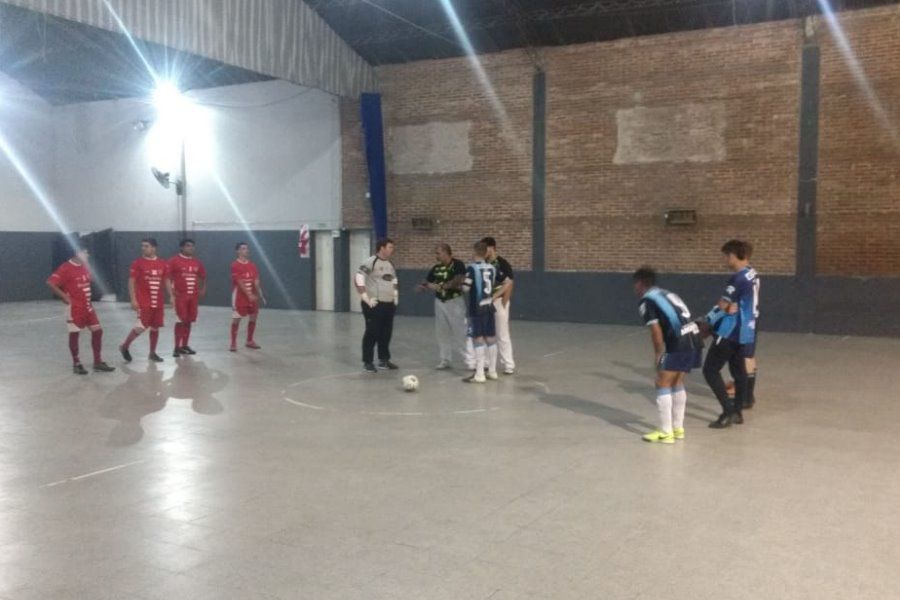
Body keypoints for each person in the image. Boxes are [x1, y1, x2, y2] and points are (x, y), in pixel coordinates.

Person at [632, 267, 703, 444]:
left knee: (662, 382)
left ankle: (666, 432)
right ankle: (678, 428)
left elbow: (656, 331)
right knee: (677, 381)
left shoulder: (647, 301)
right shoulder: (666, 293)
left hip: (678, 342)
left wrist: (659, 354)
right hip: (694, 337)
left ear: (640, 283)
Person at [702, 240, 760, 429]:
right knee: (738, 371)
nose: (726, 260)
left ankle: (727, 411)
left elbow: (723, 304)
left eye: (727, 256)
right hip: (746, 331)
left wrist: (710, 318)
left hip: (730, 331)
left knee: (710, 370)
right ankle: (737, 412)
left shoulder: (737, 279)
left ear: (734, 255)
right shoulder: (753, 274)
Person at [46, 243, 115, 375]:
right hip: (75, 308)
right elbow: (51, 282)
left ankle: (97, 362)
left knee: (98, 331)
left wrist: (87, 264)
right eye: (85, 252)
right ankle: (77, 363)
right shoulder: (65, 268)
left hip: (88, 307)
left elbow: (90, 279)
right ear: (78, 253)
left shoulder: (84, 266)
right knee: (75, 334)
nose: (87, 255)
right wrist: (64, 296)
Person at [417, 244, 470, 370]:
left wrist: (442, 286)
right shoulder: (436, 268)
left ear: (446, 252)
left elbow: (458, 280)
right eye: (436, 253)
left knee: (460, 332)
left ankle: (470, 360)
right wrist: (423, 286)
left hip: (455, 301)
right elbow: (427, 281)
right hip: (440, 302)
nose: (436, 256)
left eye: (438, 253)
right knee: (442, 332)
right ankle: (445, 360)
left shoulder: (458, 264)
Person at [120, 238, 169, 363]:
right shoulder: (137, 263)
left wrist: (172, 296)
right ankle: (125, 346)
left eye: (146, 246)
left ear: (154, 248)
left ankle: (152, 353)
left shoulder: (163, 263)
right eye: (142, 246)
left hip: (158, 301)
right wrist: (133, 299)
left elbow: (166, 280)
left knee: (155, 327)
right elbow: (131, 282)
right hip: (144, 301)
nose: (143, 248)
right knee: (141, 326)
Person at [355, 238, 399, 373]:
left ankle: (383, 360)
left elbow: (393, 281)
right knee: (372, 332)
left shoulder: (390, 264)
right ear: (382, 248)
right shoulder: (370, 262)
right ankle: (367, 361)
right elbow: (358, 278)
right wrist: (365, 297)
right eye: (390, 247)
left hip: (388, 304)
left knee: (386, 332)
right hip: (374, 304)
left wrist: (395, 297)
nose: (392, 249)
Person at [462, 241, 503, 384]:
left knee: (478, 338)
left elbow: (466, 288)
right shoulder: (492, 268)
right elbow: (503, 282)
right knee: (491, 337)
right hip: (489, 306)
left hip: (476, 308)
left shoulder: (472, 269)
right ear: (486, 253)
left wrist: (462, 284)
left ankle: (479, 374)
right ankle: (492, 371)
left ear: (474, 253)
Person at [168, 238, 207, 357]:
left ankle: (184, 345)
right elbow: (166, 278)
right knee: (180, 320)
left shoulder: (196, 262)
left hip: (193, 297)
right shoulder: (173, 261)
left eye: (192, 246)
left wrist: (203, 289)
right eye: (188, 246)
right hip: (181, 297)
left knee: (189, 320)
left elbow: (203, 276)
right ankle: (176, 347)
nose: (191, 248)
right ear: (182, 247)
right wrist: (172, 292)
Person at [482, 237, 515, 374]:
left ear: (491, 248)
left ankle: (508, 364)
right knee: (485, 334)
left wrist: (503, 303)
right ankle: (486, 362)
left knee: (502, 334)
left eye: (485, 248)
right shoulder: (482, 263)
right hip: (485, 303)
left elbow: (510, 283)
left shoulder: (502, 264)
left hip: (498, 302)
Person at [230, 242, 266, 352]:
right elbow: (240, 282)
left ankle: (249, 340)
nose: (247, 250)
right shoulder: (235, 265)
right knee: (236, 319)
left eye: (247, 248)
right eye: (243, 248)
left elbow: (256, 280)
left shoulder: (252, 265)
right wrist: (249, 294)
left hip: (252, 296)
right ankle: (233, 343)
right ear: (238, 251)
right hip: (240, 297)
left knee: (254, 316)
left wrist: (259, 293)